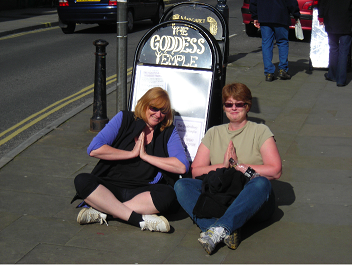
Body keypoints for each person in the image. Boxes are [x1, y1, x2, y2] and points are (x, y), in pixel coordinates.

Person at [174, 83, 282, 254]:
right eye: (228, 104)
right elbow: (196, 171)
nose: (233, 108)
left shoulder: (261, 131)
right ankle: (222, 228)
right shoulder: (213, 132)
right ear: (223, 107)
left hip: (250, 199)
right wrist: (224, 166)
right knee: (182, 185)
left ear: (247, 106)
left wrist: (239, 166)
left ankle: (220, 227)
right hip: (221, 195)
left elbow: (275, 170)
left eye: (239, 104)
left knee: (261, 183)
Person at [72, 87, 190, 232]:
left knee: (168, 194)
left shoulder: (167, 131)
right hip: (110, 186)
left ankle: (105, 211)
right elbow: (94, 148)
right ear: (145, 104)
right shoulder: (124, 118)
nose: (158, 114)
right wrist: (131, 154)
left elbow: (181, 166)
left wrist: (146, 156)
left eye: (163, 111)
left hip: (141, 193)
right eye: (154, 108)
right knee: (82, 180)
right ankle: (138, 220)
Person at [250, 0, 301, 82]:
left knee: (267, 44)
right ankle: (283, 69)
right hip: (281, 16)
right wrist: (296, 14)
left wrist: (255, 16)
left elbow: (253, 1)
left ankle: (269, 72)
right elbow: (291, 2)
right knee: (282, 42)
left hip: (264, 16)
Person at [318, 0, 352, 87]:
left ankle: (332, 75)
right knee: (343, 52)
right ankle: (341, 79)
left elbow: (322, 3)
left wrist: (321, 16)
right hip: (346, 21)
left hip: (331, 20)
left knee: (333, 49)